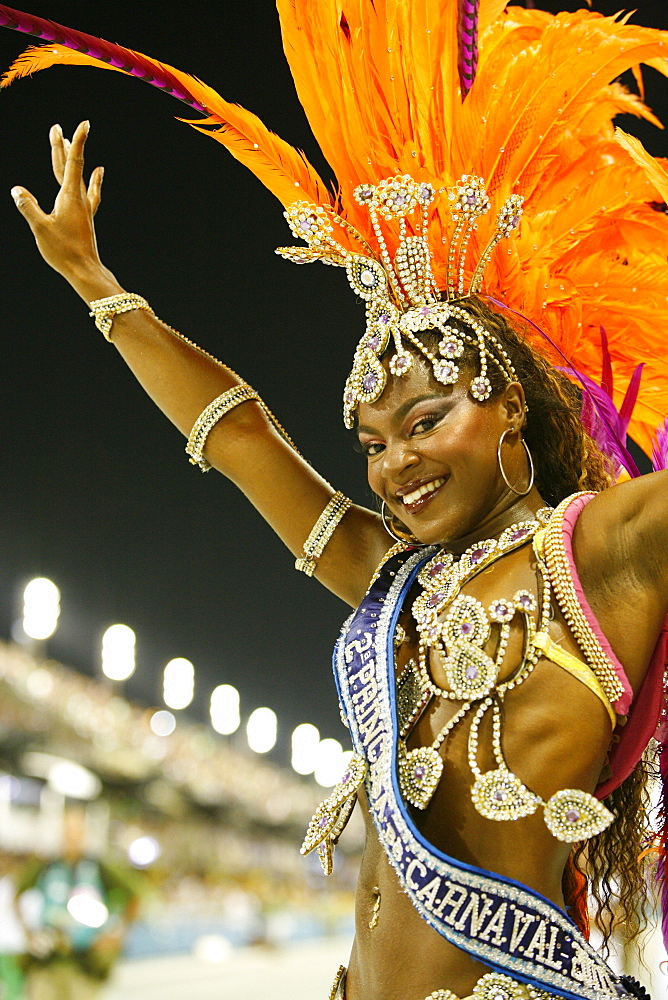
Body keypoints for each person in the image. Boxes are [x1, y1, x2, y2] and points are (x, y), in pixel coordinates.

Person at [0, 2, 667, 999]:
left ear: (510, 412)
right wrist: (101, 288)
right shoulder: (389, 578)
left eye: (428, 418)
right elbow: (241, 439)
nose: (397, 463)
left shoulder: (598, 554)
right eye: (374, 442)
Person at [13, 804, 141, 1000]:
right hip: (47, 962)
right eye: (66, 832)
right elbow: (16, 893)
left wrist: (116, 934)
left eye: (76, 832)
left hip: (84, 964)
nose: (71, 838)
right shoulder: (47, 865)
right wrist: (28, 933)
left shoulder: (97, 866)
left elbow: (135, 896)